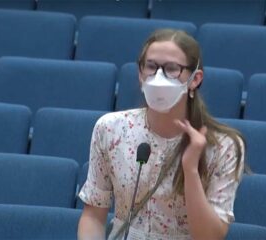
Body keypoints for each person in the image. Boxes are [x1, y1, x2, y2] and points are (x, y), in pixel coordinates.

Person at [77, 28, 245, 240]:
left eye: (171, 69)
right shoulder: (110, 128)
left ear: (195, 79)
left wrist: (191, 169)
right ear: (140, 73)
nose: (159, 77)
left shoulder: (225, 145)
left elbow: (209, 237)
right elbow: (93, 216)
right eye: (151, 67)